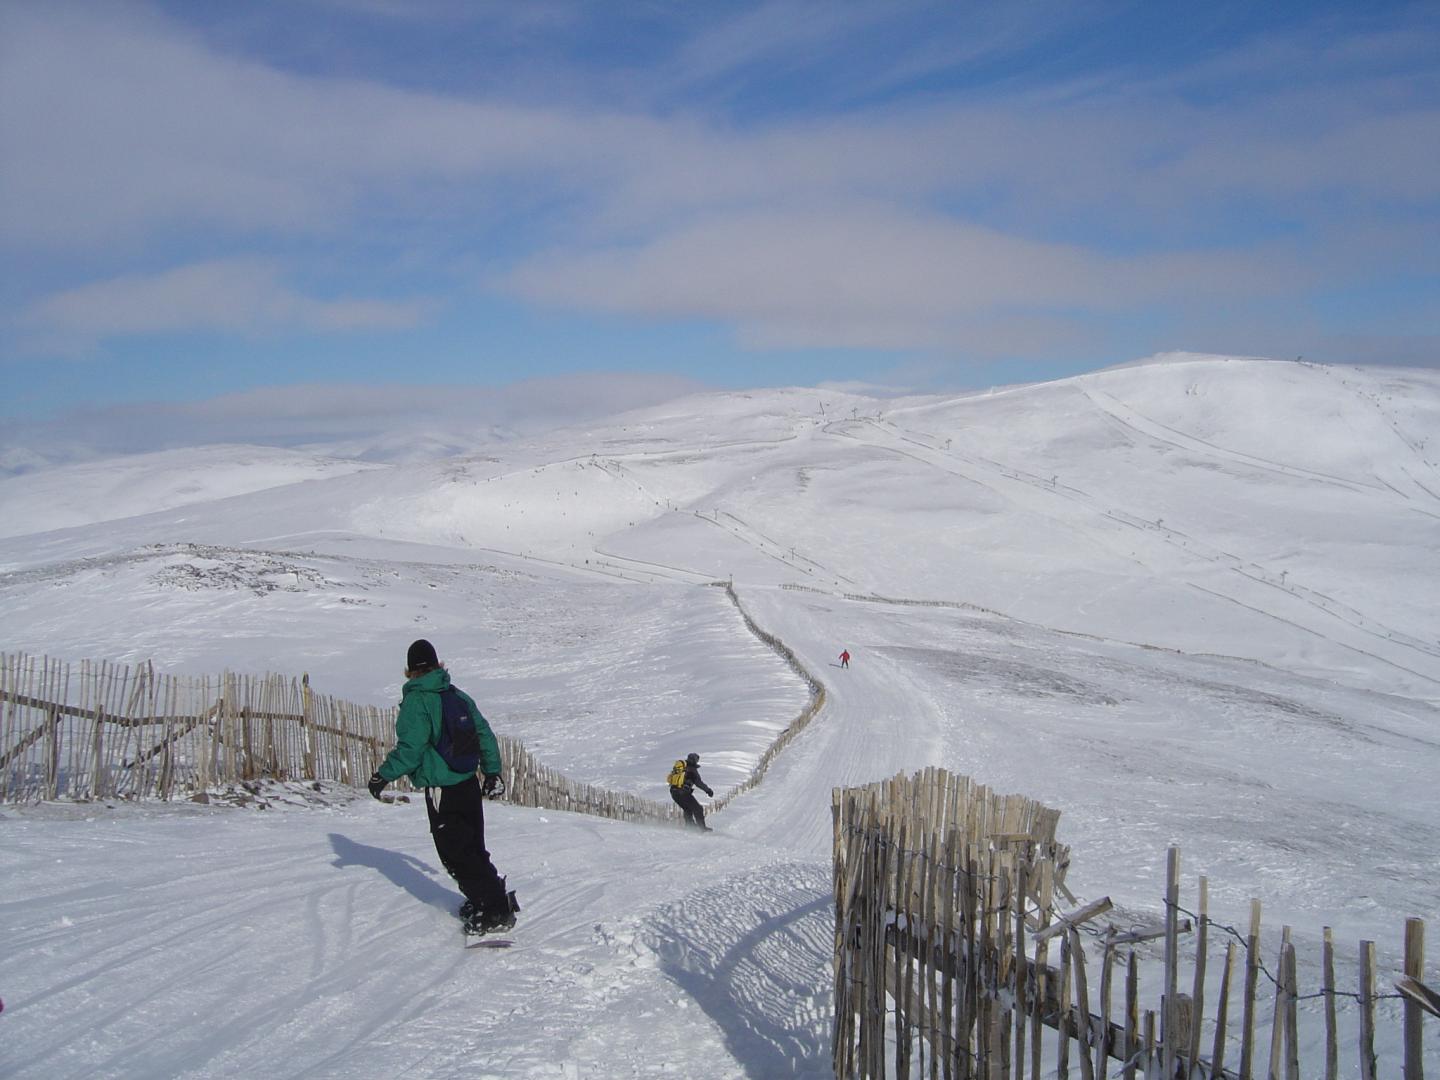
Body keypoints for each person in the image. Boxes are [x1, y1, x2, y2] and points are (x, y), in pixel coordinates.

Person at [368, 639, 519, 937]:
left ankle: (493, 911)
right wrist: (491, 773)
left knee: (455, 853)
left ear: (410, 670)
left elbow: (410, 749)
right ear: (437, 664)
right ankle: (489, 899)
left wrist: (383, 776)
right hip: (468, 784)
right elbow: (484, 734)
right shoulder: (456, 695)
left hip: (442, 789)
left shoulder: (417, 701)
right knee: (474, 847)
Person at [669, 751, 714, 830]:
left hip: (674, 792)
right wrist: (708, 790)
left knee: (687, 809)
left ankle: (690, 826)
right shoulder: (692, 770)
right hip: (683, 793)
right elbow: (698, 783)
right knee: (698, 809)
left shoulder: (681, 768)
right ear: (695, 760)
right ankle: (702, 828)